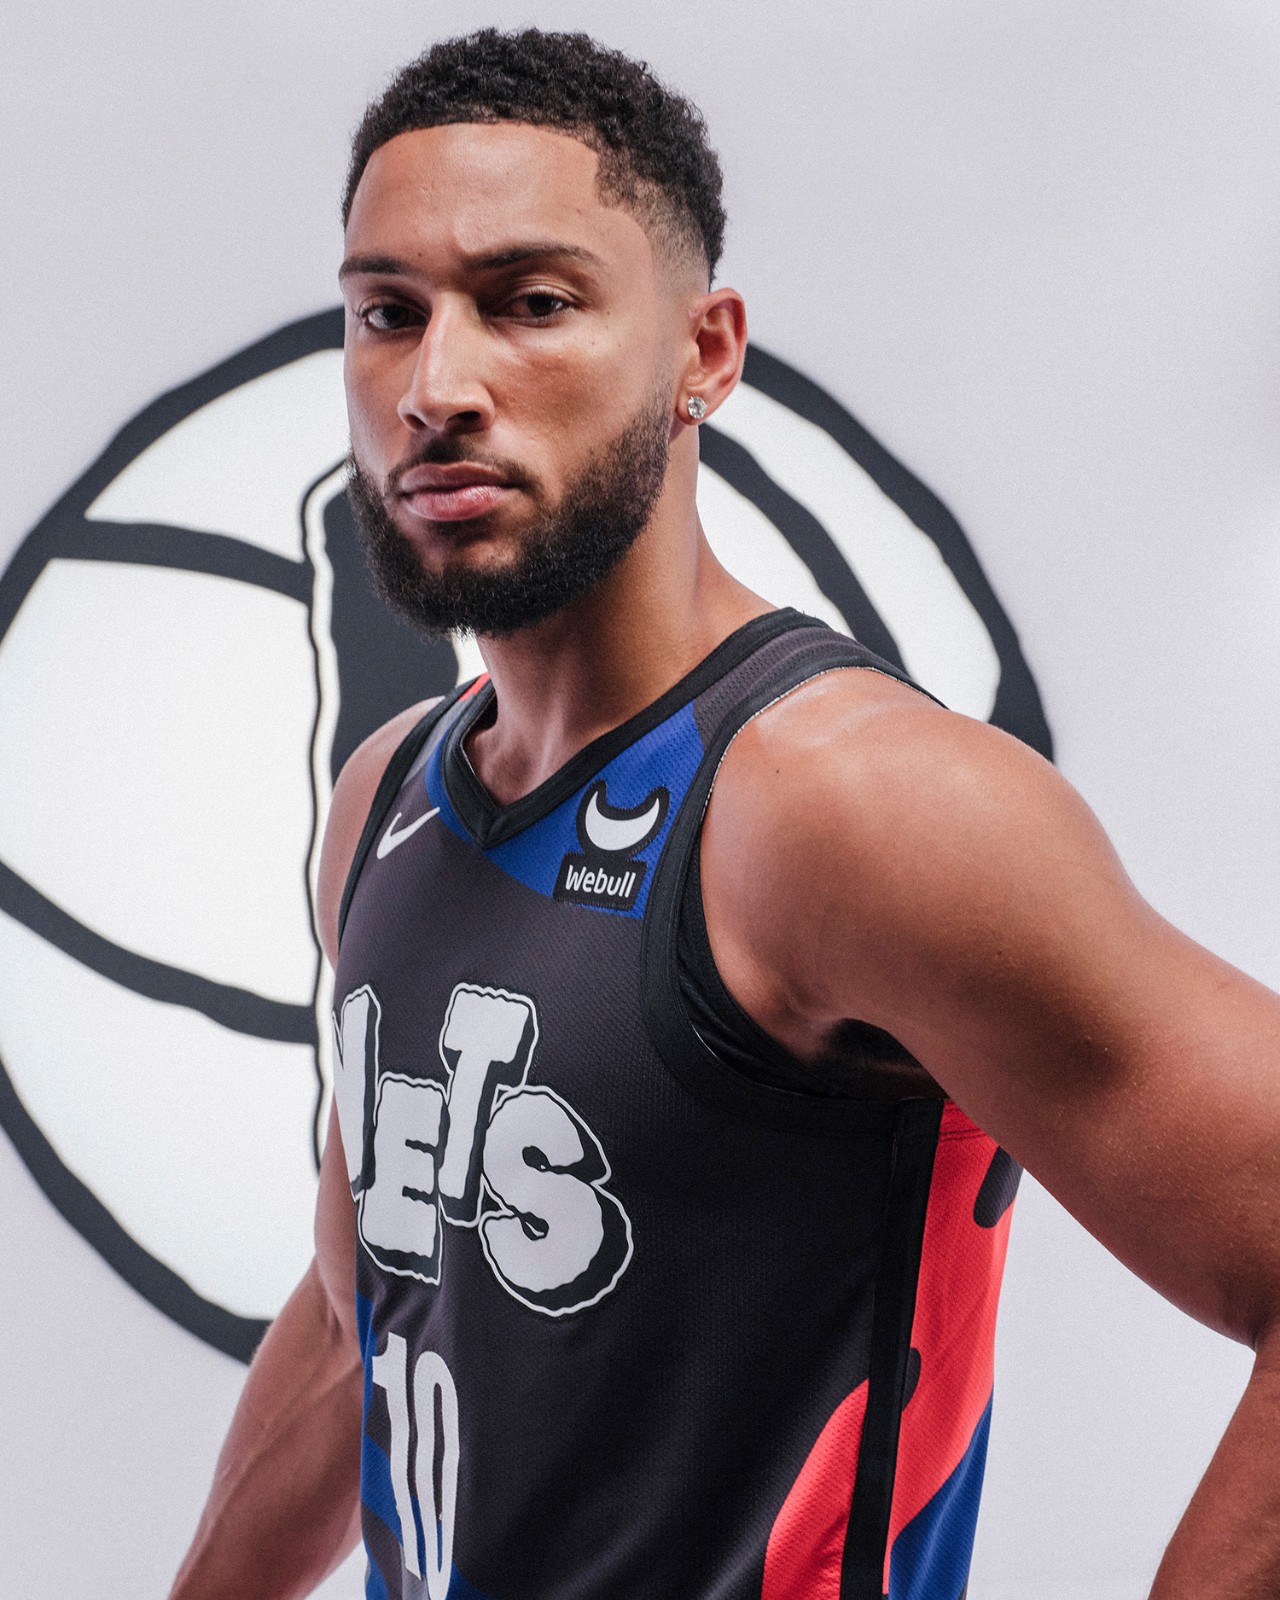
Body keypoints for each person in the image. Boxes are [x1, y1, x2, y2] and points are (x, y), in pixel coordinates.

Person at [170, 27, 1280, 1600]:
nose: (435, 387)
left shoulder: (853, 808)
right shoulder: (386, 800)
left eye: (531, 302)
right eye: (387, 313)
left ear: (704, 352)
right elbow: (370, 1311)